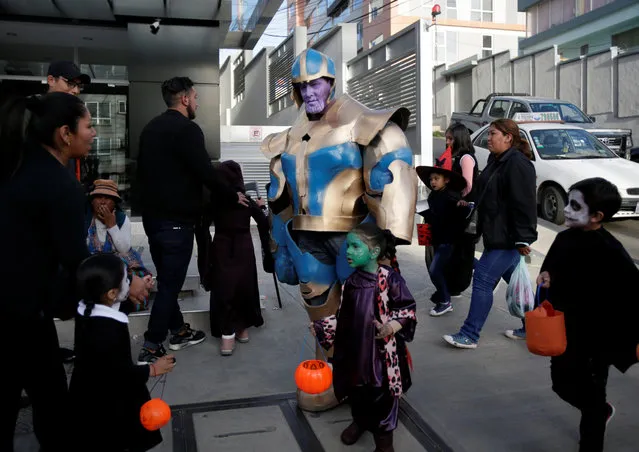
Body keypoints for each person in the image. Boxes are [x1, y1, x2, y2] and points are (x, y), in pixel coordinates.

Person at [261, 48, 418, 411]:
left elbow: (393, 162)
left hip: (354, 236)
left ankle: (381, 379)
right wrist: (279, 244)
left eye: (314, 83)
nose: (308, 92)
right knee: (321, 312)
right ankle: (340, 378)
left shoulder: (361, 120)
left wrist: (387, 237)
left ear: (330, 82)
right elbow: (280, 196)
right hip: (306, 238)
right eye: (301, 86)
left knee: (366, 313)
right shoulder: (294, 133)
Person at [0, 92, 149, 451]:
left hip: (11, 303)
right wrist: (127, 285)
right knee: (52, 404)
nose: (94, 133)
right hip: (23, 313)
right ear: (65, 134)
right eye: (88, 125)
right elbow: (79, 263)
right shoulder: (59, 184)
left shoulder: (16, 166)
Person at [136, 76, 248, 364]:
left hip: (153, 221)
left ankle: (178, 330)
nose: (198, 102)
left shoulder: (150, 129)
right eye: (196, 97)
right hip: (176, 224)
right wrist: (232, 195)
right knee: (171, 284)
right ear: (185, 99)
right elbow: (206, 173)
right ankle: (151, 346)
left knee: (167, 281)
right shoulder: (187, 129)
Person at [535, 178, 639, 452]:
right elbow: (551, 269)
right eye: (568, 202)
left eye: (575, 205)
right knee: (561, 385)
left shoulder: (611, 251)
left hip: (596, 341)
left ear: (596, 216)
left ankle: (593, 436)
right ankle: (601, 410)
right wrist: (547, 275)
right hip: (564, 332)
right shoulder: (563, 239)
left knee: (592, 397)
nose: (566, 209)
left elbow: (632, 294)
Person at [312, 223, 416, 452]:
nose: (347, 251)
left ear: (374, 252)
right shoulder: (350, 282)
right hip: (355, 353)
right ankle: (359, 421)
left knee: (381, 396)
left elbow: (407, 310)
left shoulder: (389, 280)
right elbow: (344, 316)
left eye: (354, 246)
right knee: (356, 390)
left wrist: (392, 326)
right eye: (347, 246)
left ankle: (384, 442)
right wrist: (322, 327)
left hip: (380, 356)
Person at [443, 118, 537, 349]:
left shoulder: (517, 164)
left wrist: (524, 238)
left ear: (508, 137)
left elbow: (525, 203)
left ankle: (469, 334)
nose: (489, 138)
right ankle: (534, 327)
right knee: (517, 284)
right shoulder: (497, 160)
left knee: (483, 279)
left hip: (507, 238)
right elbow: (487, 192)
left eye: (494, 133)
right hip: (496, 233)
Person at [70, 254, 175, 452]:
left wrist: (131, 294)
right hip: (109, 401)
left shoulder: (87, 310)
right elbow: (119, 373)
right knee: (115, 439)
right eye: (127, 278)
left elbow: (114, 306)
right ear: (111, 293)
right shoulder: (108, 332)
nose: (130, 281)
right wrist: (152, 369)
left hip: (87, 391)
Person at [201, 161, 268, 356]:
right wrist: (260, 208)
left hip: (221, 247)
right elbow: (263, 223)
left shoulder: (215, 201)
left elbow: (203, 225)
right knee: (244, 286)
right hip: (243, 247)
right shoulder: (246, 200)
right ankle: (242, 328)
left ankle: (227, 336)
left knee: (224, 289)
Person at [86, 179, 152, 312]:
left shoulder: (122, 219)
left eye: (107, 198)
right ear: (92, 200)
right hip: (95, 268)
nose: (103, 202)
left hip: (118, 265)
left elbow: (124, 249)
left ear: (115, 203)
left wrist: (112, 225)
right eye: (99, 197)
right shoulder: (85, 219)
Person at [416, 165, 468, 316]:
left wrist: (461, 205)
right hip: (438, 238)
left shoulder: (451, 196)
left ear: (446, 180)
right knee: (448, 265)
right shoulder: (434, 195)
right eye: (431, 179)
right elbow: (432, 214)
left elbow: (459, 210)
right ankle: (476, 266)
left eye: (436, 178)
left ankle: (445, 301)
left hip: (448, 241)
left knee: (435, 270)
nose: (433, 182)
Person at [445, 123, 479, 295]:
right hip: (456, 209)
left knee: (463, 250)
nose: (448, 142)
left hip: (464, 211)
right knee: (458, 249)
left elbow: (467, 186)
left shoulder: (466, 158)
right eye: (447, 138)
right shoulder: (453, 156)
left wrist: (456, 199)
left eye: (451, 139)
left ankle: (476, 274)